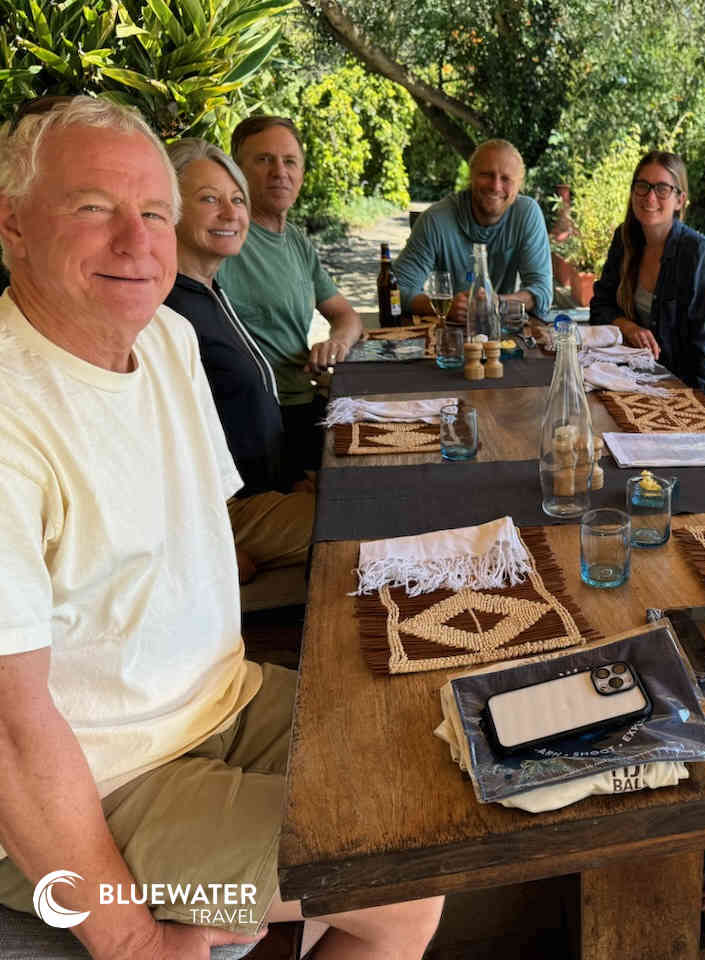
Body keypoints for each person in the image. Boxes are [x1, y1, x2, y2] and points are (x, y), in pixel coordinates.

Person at [0, 96, 441, 959]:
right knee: (401, 880)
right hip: (101, 784)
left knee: (440, 762)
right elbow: (11, 736)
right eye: (93, 208)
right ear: (12, 225)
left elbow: (204, 540)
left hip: (222, 701)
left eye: (155, 212)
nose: (137, 240)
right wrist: (132, 939)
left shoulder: (164, 338)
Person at [164, 138, 313, 584]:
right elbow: (155, 454)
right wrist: (215, 544)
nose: (231, 214)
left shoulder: (209, 291)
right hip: (223, 515)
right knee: (376, 519)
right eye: (209, 199)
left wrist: (292, 476)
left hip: (267, 492)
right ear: (166, 208)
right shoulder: (164, 310)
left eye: (237, 200)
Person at [217, 115, 364, 473]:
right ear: (237, 171)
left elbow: (347, 316)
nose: (279, 172)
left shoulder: (296, 240)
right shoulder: (224, 237)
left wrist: (337, 345)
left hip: (306, 403)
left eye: (289, 161)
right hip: (261, 421)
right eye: (264, 159)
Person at [589, 150, 705, 412]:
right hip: (656, 376)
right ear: (632, 193)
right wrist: (629, 327)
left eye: (662, 189)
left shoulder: (699, 254)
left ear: (679, 200)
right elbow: (599, 307)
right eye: (642, 187)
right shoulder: (625, 238)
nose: (650, 197)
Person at [393, 138, 552, 321]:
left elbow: (542, 293)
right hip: (448, 333)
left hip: (503, 334)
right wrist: (442, 305)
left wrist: (496, 304)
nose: (495, 186)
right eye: (487, 175)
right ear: (471, 175)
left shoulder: (527, 214)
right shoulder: (435, 220)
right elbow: (396, 290)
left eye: (506, 178)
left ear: (518, 186)